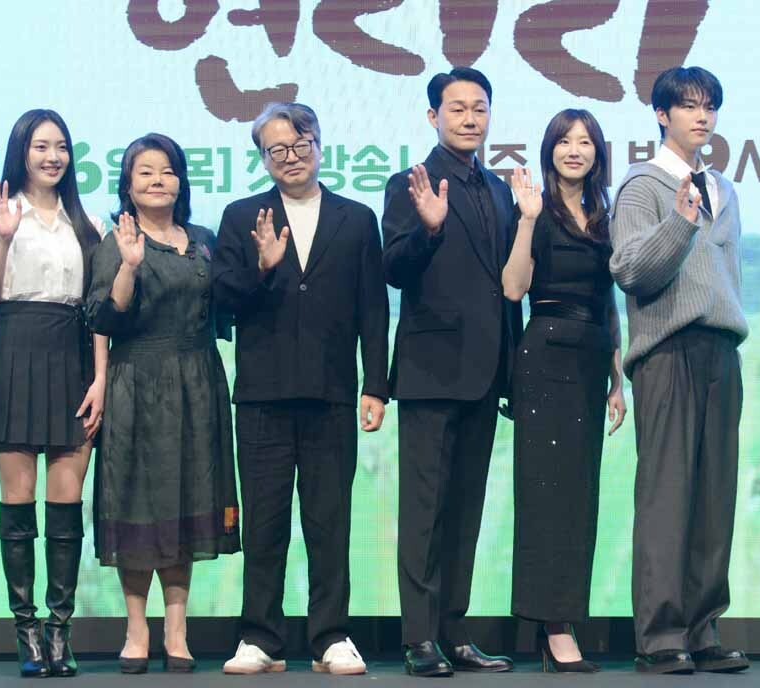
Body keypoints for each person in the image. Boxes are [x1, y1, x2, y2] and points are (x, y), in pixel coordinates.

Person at [213, 102, 389, 676]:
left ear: (318, 144)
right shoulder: (242, 216)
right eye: (277, 149)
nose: (291, 157)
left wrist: (376, 385)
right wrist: (262, 267)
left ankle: (330, 636)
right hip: (262, 394)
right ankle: (259, 638)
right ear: (263, 158)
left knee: (329, 522)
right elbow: (223, 300)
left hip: (332, 392)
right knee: (264, 523)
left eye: (300, 144)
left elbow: (372, 308)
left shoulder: (356, 218)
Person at [609, 66, 750, 674]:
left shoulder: (723, 189)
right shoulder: (642, 185)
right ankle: (661, 636)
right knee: (666, 495)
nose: (702, 116)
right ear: (662, 115)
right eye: (689, 106)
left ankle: (702, 627)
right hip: (667, 351)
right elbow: (631, 270)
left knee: (715, 496)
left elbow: (727, 275)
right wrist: (680, 222)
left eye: (709, 106)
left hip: (721, 348)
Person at [382, 67, 521, 677]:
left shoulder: (499, 190)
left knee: (466, 509)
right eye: (457, 108)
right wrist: (429, 230)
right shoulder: (409, 183)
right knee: (424, 511)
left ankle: (453, 632)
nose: (469, 118)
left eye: (479, 108)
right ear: (432, 116)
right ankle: (419, 638)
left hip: (486, 371)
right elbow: (394, 267)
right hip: (431, 370)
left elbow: (506, 287)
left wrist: (513, 370)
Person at [86, 133, 241, 674]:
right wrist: (129, 266)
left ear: (181, 181)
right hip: (137, 381)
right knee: (135, 501)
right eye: (145, 172)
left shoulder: (203, 240)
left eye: (167, 170)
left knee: (187, 499)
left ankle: (177, 630)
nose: (158, 180)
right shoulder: (117, 241)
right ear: (128, 185)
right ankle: (136, 630)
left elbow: (229, 304)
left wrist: (265, 269)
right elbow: (105, 316)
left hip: (197, 381)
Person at [0, 109, 106, 678]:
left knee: (67, 503)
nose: (53, 157)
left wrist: (100, 378)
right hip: (15, 351)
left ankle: (59, 632)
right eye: (41, 146)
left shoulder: (86, 222)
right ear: (20, 150)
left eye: (62, 147)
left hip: (73, 356)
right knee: (18, 503)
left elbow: (100, 309)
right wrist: (4, 238)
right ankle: (26, 633)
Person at [502, 109, 626, 673]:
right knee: (545, 496)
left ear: (598, 153)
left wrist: (616, 378)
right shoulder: (535, 209)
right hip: (545, 355)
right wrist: (527, 221)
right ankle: (553, 626)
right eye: (565, 141)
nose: (575, 150)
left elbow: (608, 300)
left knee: (580, 497)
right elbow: (513, 288)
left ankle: (564, 617)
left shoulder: (604, 214)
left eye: (585, 142)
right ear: (550, 149)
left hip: (591, 357)